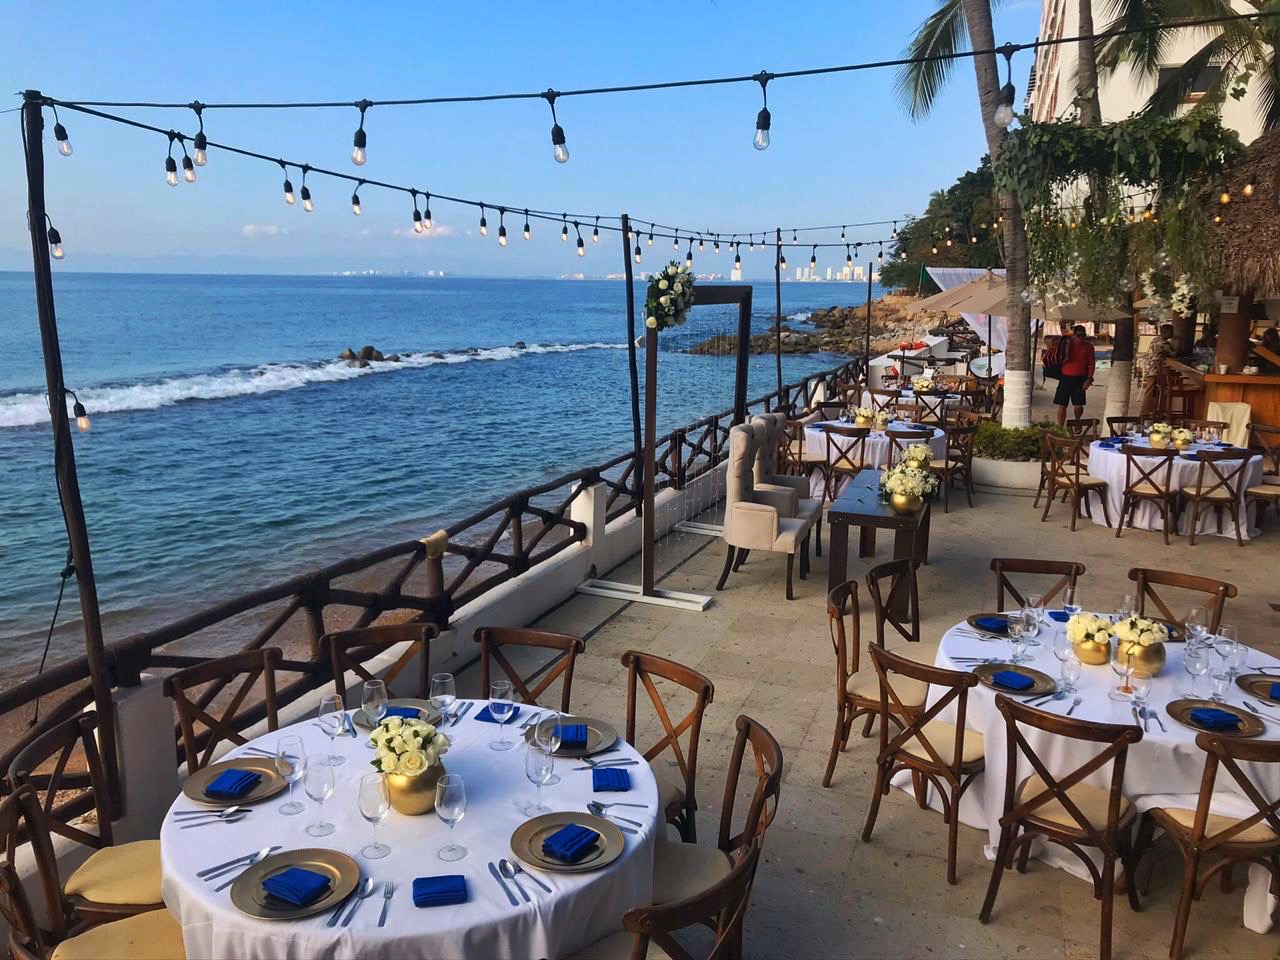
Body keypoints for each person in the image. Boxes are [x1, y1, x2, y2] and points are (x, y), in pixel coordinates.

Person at [1055, 325, 1095, 426]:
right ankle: (1060, 427)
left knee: (1078, 405)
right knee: (1062, 404)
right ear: (1074, 335)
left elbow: (1092, 364)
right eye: (1079, 335)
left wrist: (1089, 379)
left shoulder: (1088, 347)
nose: (1081, 338)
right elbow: (1057, 352)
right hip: (1066, 377)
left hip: (1080, 378)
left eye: (1083, 335)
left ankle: (1077, 421)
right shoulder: (1066, 344)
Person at [1138, 323, 1179, 415]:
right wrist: (1177, 342)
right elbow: (1174, 354)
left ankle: (1151, 410)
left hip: (1149, 366)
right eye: (1171, 332)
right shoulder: (1163, 343)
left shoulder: (1156, 339)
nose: (1173, 334)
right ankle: (1144, 412)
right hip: (1153, 368)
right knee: (1150, 390)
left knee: (1152, 390)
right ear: (1167, 332)